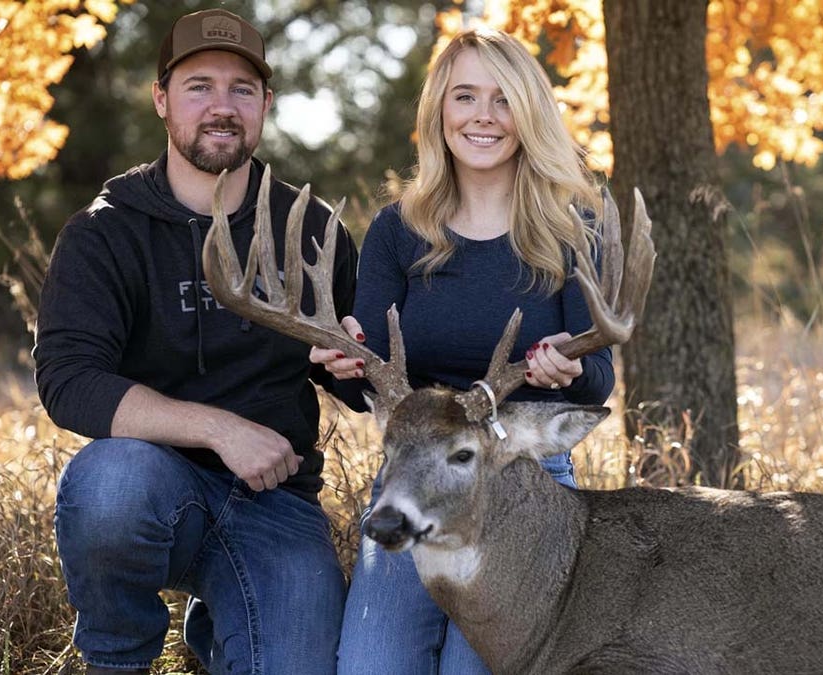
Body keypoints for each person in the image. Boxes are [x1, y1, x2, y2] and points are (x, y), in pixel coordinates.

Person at [33, 8, 358, 674]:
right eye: (198, 86)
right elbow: (68, 380)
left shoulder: (310, 226)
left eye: (242, 89)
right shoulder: (106, 232)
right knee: (107, 484)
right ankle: (119, 658)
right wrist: (219, 429)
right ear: (161, 99)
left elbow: (353, 384)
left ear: (266, 103)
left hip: (277, 504)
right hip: (153, 489)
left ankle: (219, 626)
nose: (222, 106)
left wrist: (355, 363)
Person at [312, 27, 613, 674]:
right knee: (370, 668)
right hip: (413, 478)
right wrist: (341, 366)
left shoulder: (573, 227)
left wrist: (571, 370)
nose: (483, 116)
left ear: (529, 112)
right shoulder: (398, 229)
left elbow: (598, 381)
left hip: (523, 483)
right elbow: (365, 375)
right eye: (465, 96)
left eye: (503, 100)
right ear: (438, 112)